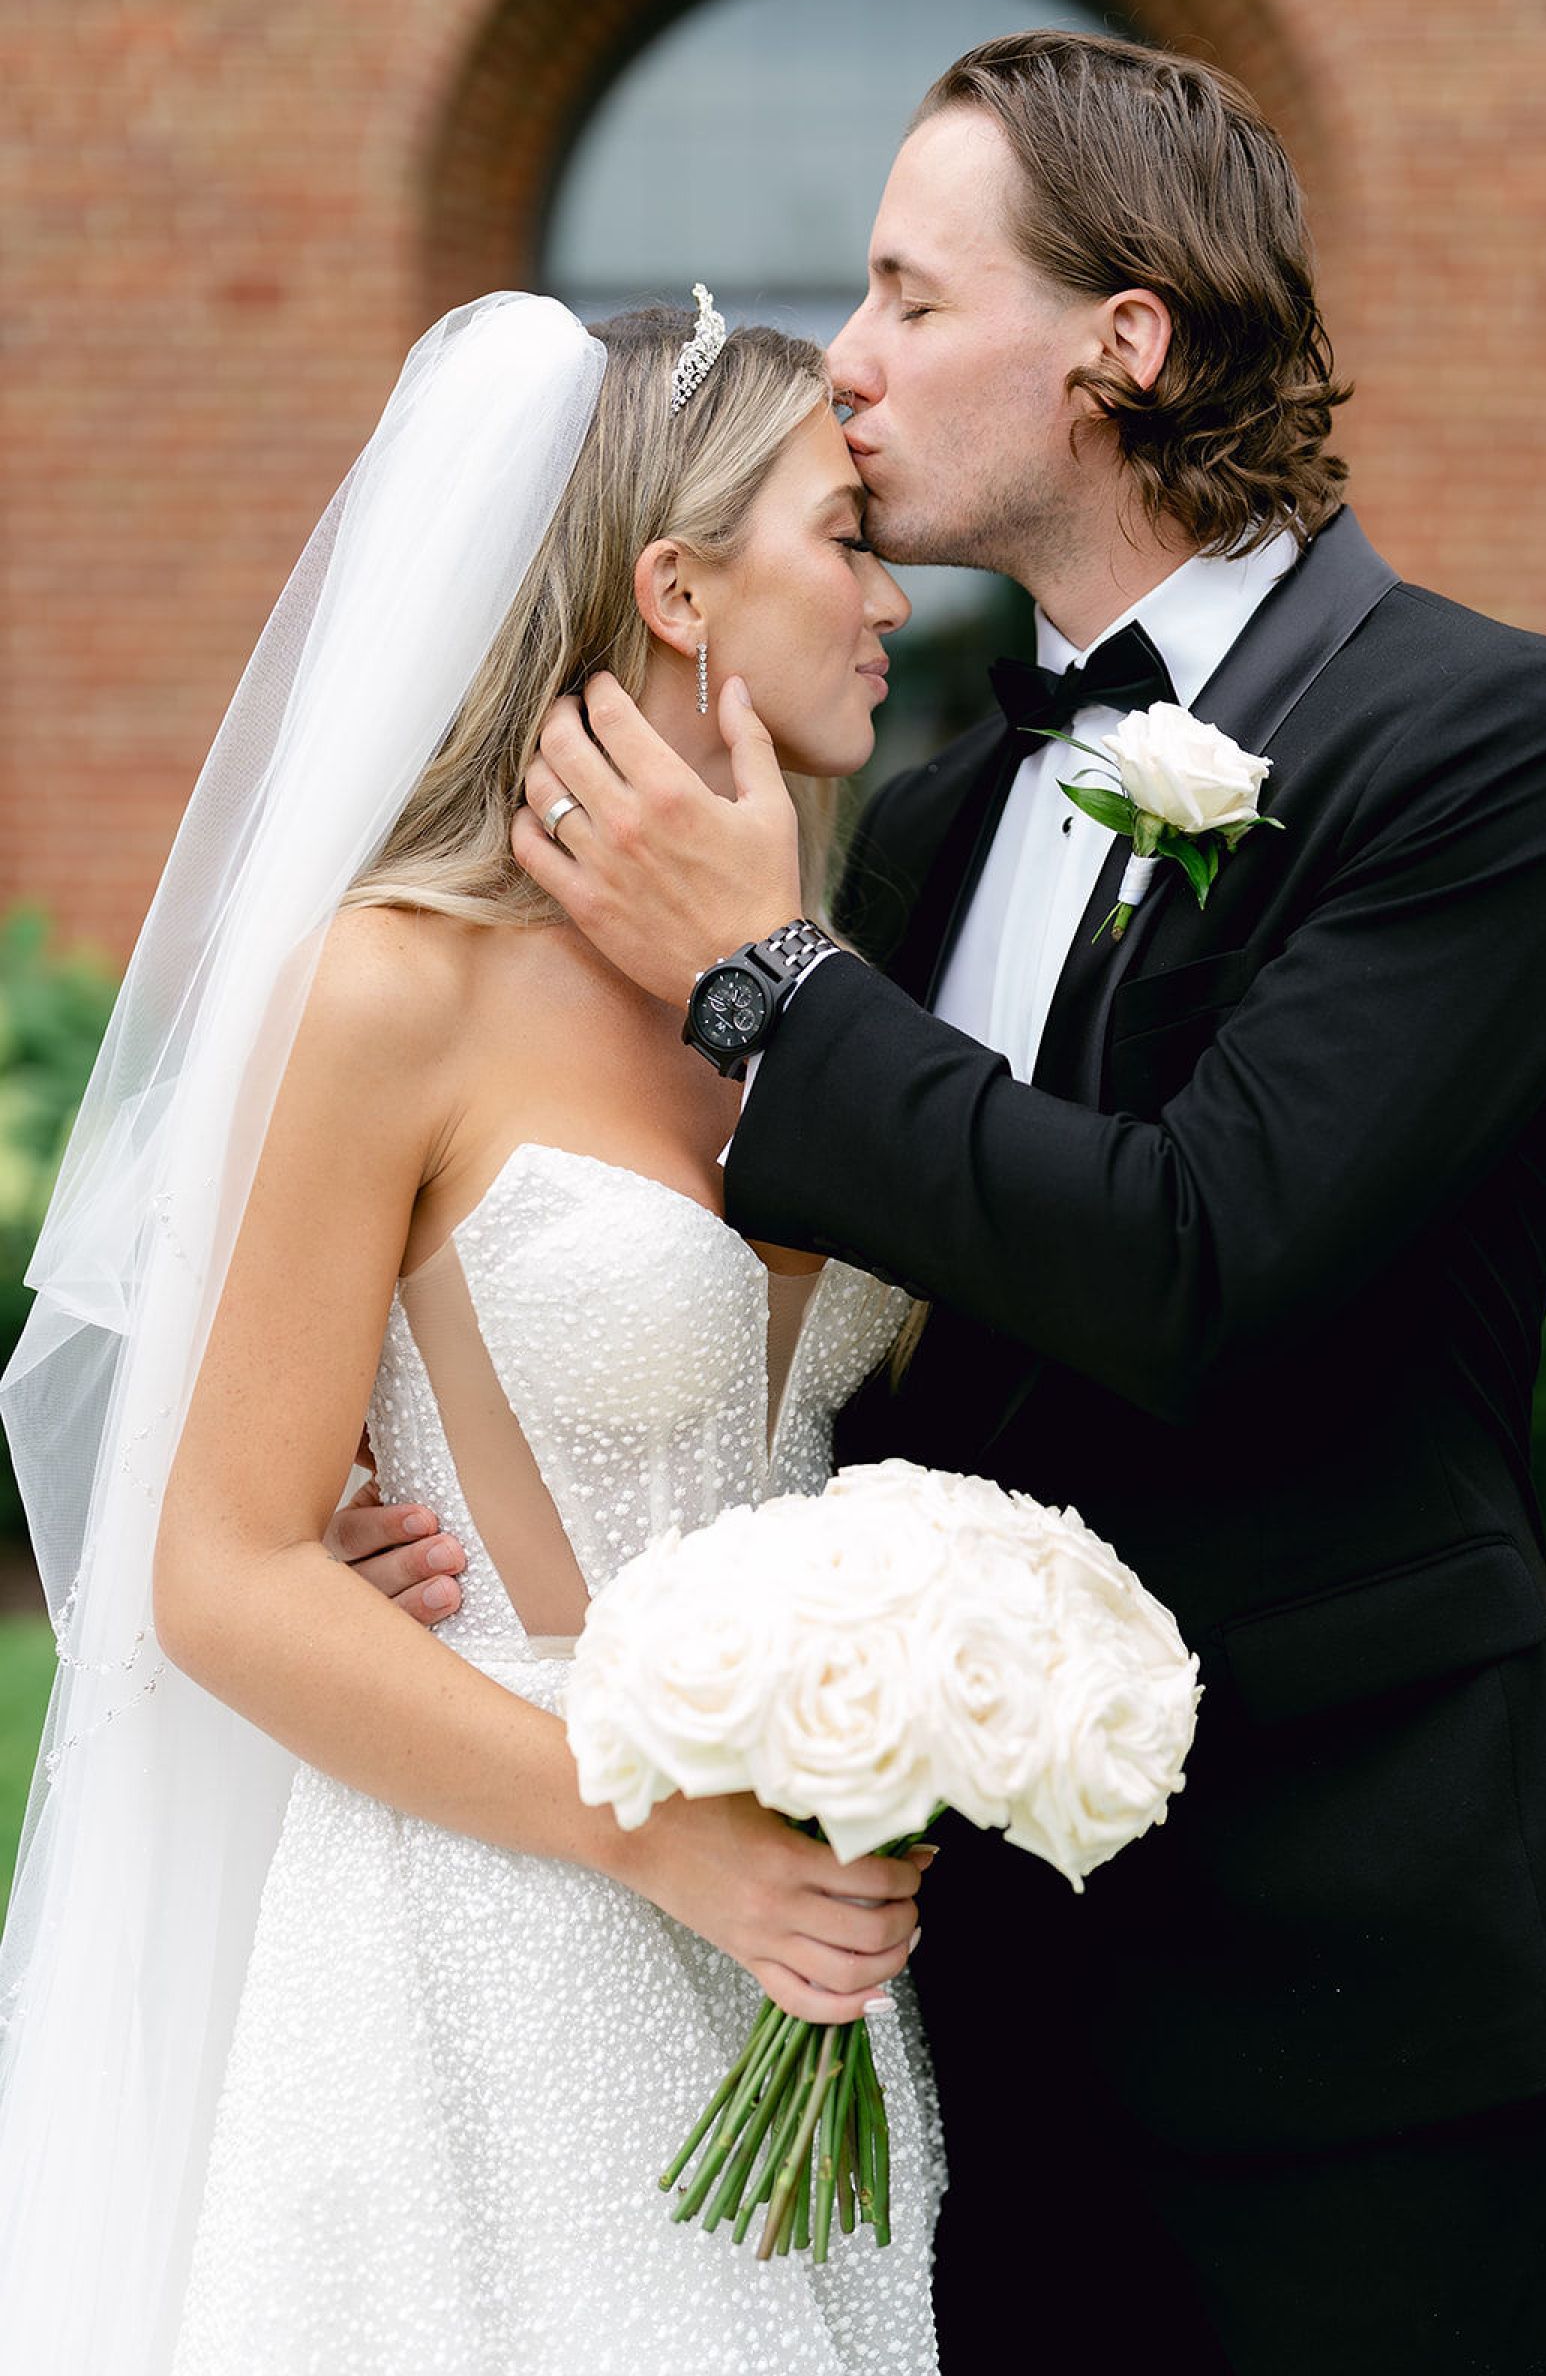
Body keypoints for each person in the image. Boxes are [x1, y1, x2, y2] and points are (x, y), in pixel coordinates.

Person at [503, 31, 1546, 2376]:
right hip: (971, 1966)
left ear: (1119, 345)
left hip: (1356, 1966)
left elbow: (1198, 1262)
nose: (843, 374)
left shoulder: (1490, 746)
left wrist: (765, 980)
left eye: (908, 300)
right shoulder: (934, 821)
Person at [0, 293, 941, 2373]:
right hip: (478, 1946)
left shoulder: (828, 999)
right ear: (678, 588)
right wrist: (660, 1834)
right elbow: (225, 1572)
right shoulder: (394, 985)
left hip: (806, 1960)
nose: (892, 593)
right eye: (843, 537)